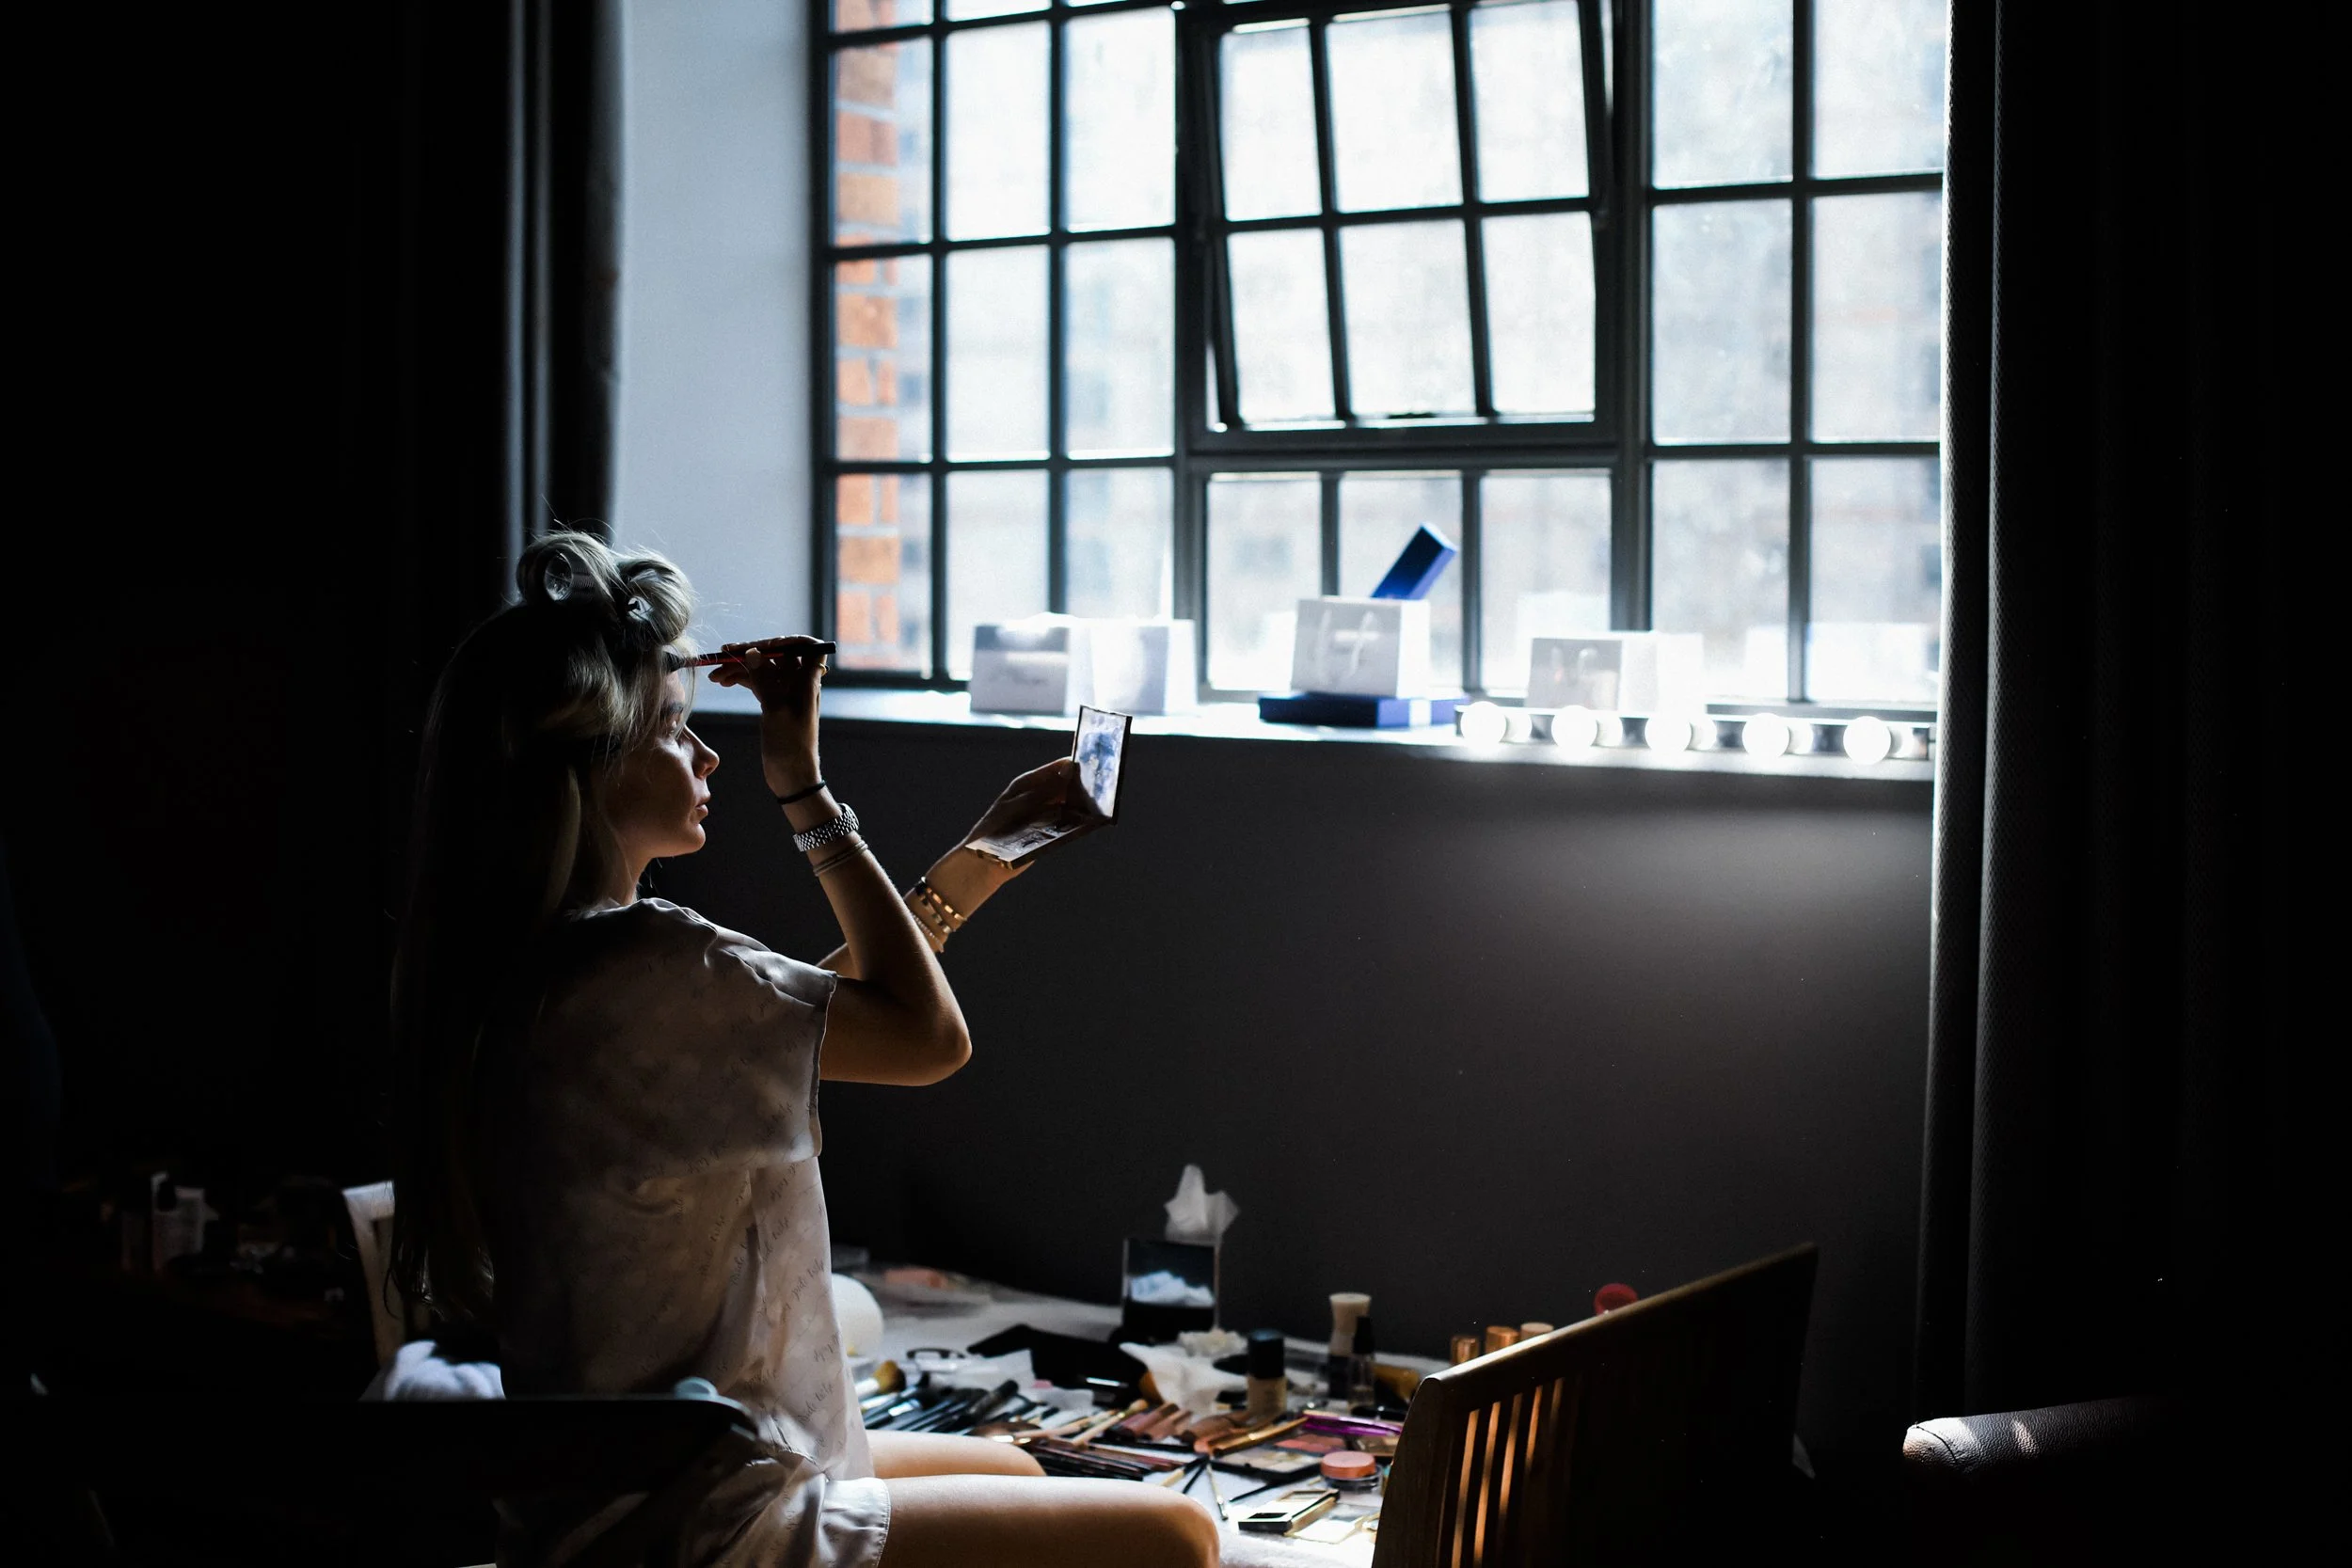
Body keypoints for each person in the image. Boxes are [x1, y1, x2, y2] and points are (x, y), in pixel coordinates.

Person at [389, 533, 1216, 1568]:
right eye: (679, 730)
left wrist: (975, 864)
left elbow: (793, 1020)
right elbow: (923, 1038)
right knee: (1180, 1534)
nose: (708, 758)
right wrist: (805, 791)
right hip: (703, 1519)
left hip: (615, 1492)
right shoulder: (650, 960)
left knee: (1024, 1472)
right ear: (589, 768)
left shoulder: (547, 966)